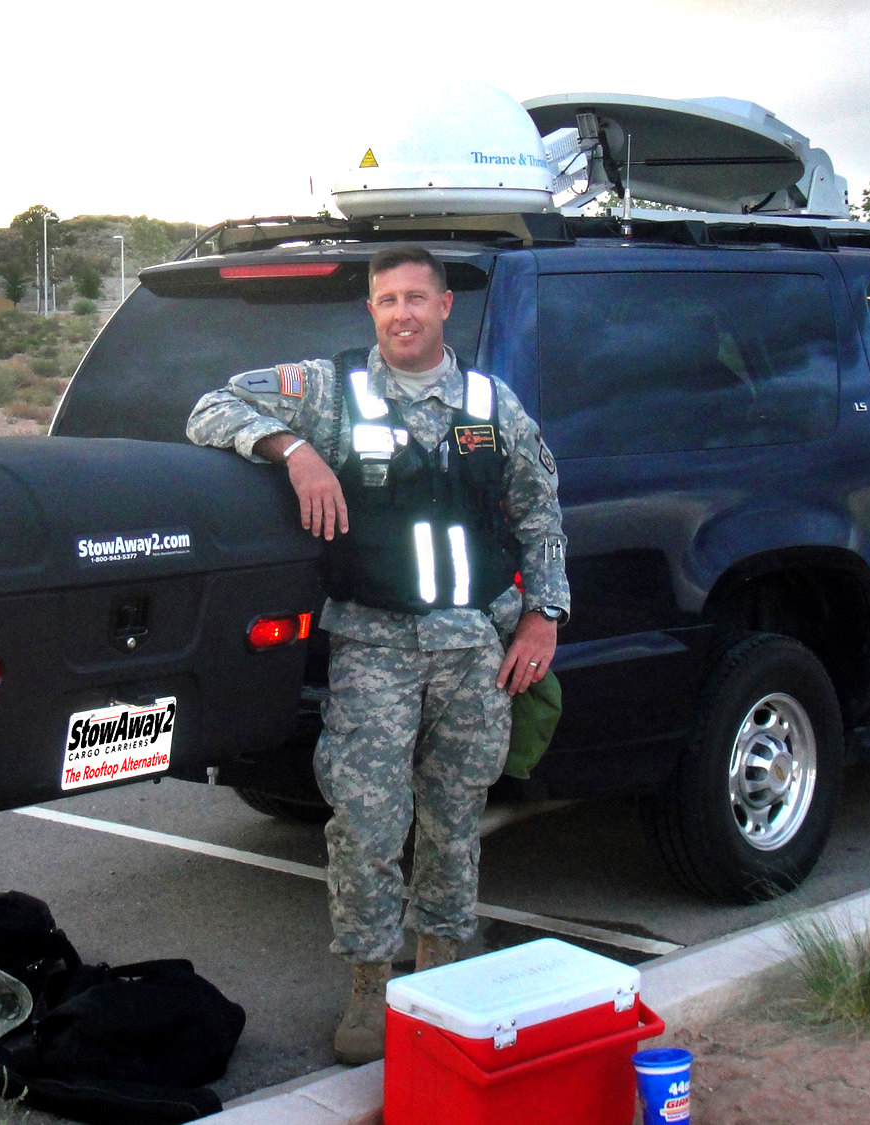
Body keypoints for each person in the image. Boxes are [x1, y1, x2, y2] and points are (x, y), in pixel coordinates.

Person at [187, 246, 568, 1065]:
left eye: (416, 299)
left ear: (443, 309)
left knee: (457, 819)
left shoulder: (490, 404)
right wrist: (293, 450)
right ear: (372, 311)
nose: (401, 313)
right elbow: (210, 407)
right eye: (387, 299)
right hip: (372, 645)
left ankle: (440, 971)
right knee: (364, 825)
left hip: (474, 647)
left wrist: (545, 617)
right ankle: (369, 984)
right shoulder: (333, 392)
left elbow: (541, 515)